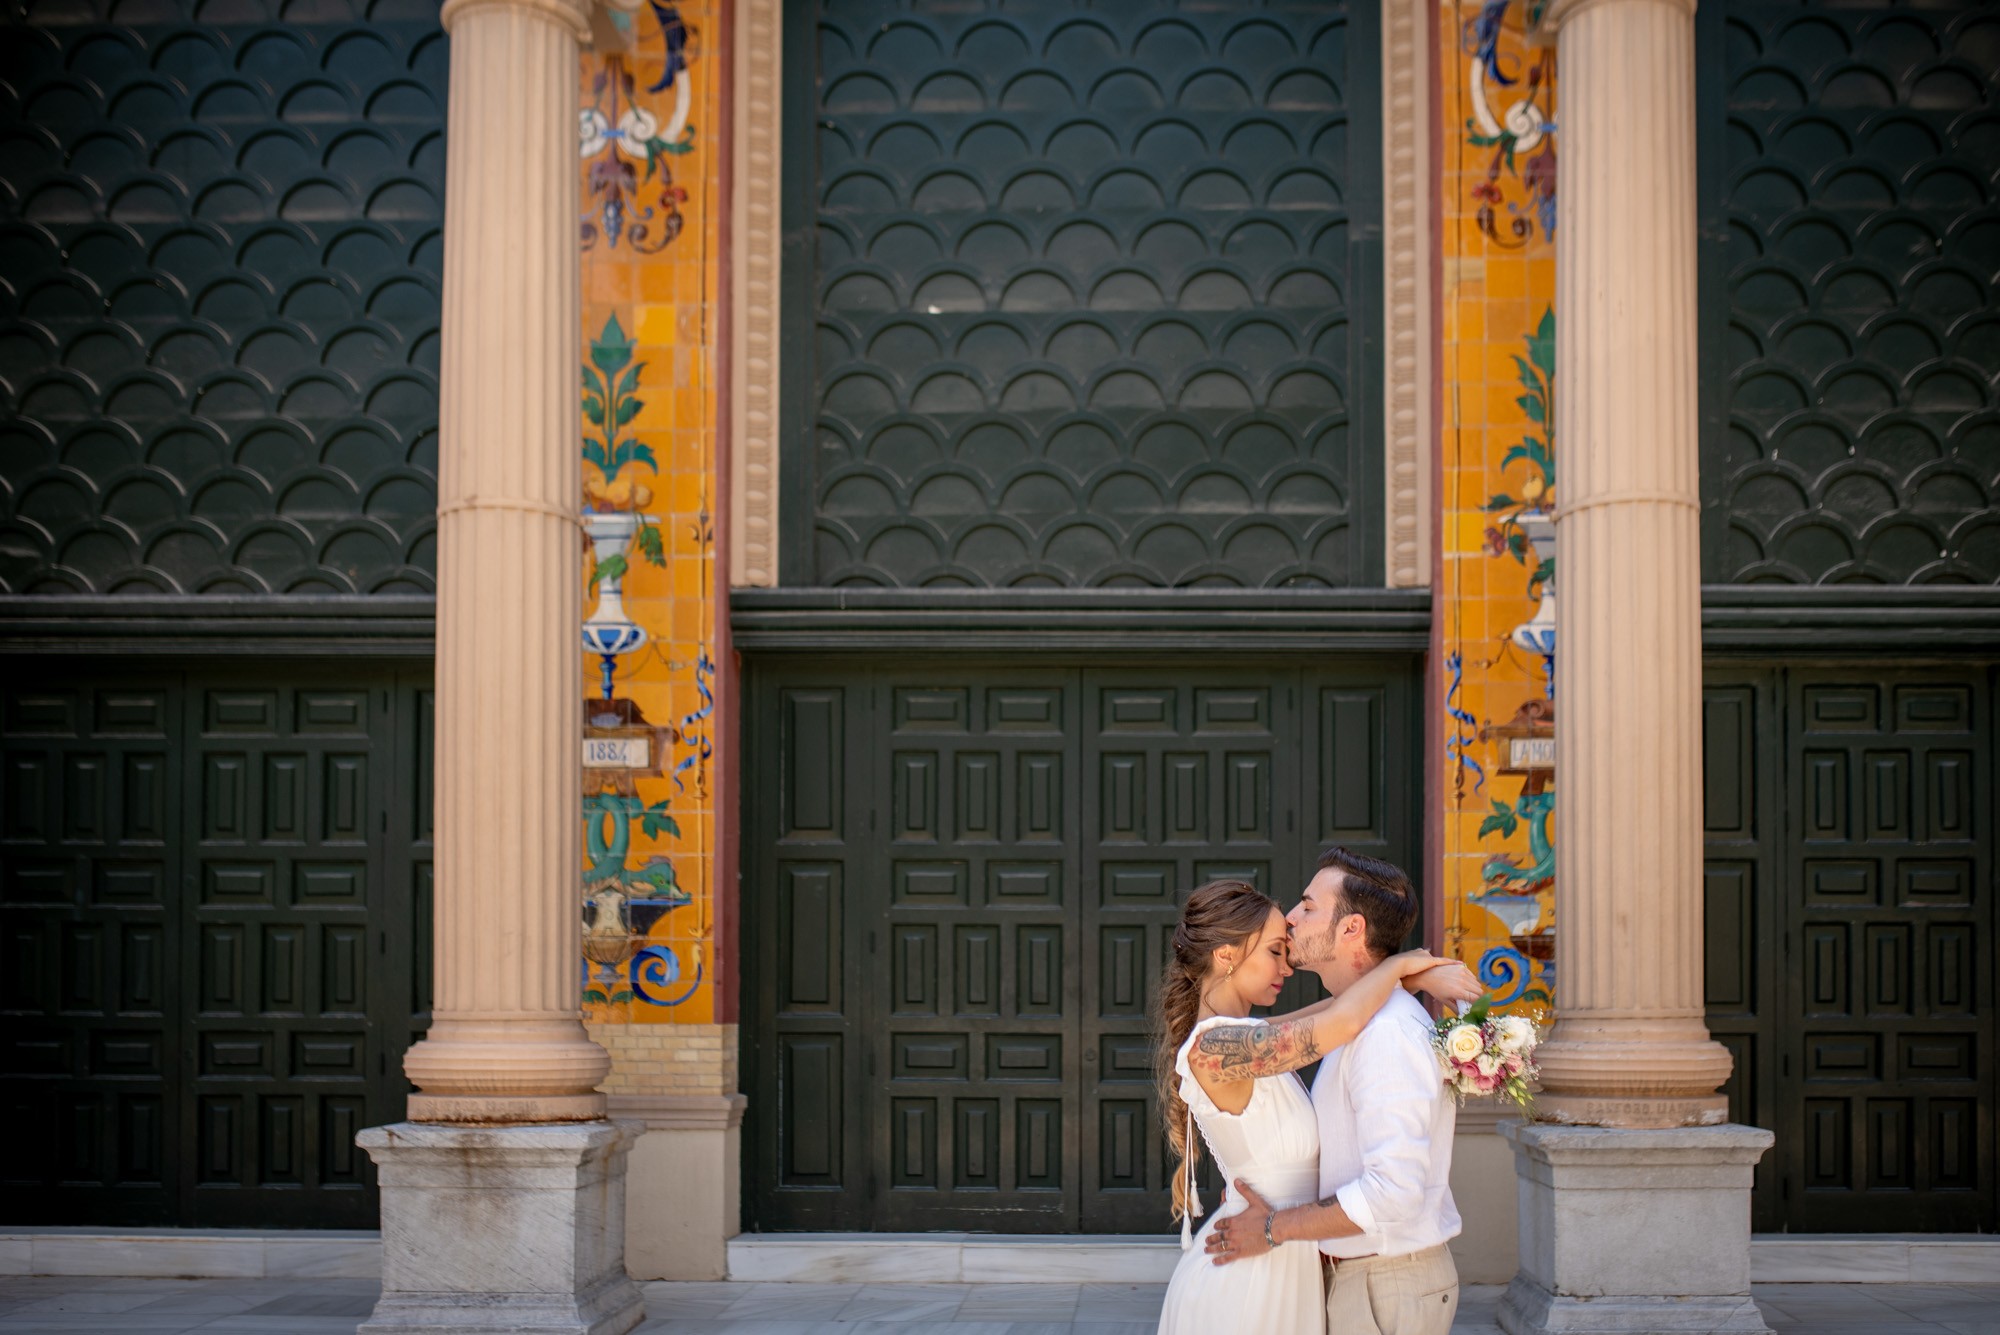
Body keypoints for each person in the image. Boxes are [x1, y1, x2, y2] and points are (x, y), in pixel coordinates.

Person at [1154, 876, 1479, 1335]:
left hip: (1289, 1260)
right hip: (1249, 1277)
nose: (1285, 967)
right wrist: (1404, 965)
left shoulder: (1247, 1037)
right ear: (1225, 955)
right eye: (1273, 951)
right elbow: (1341, 1021)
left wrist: (1405, 976)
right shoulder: (1216, 1047)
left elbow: (1329, 1014)